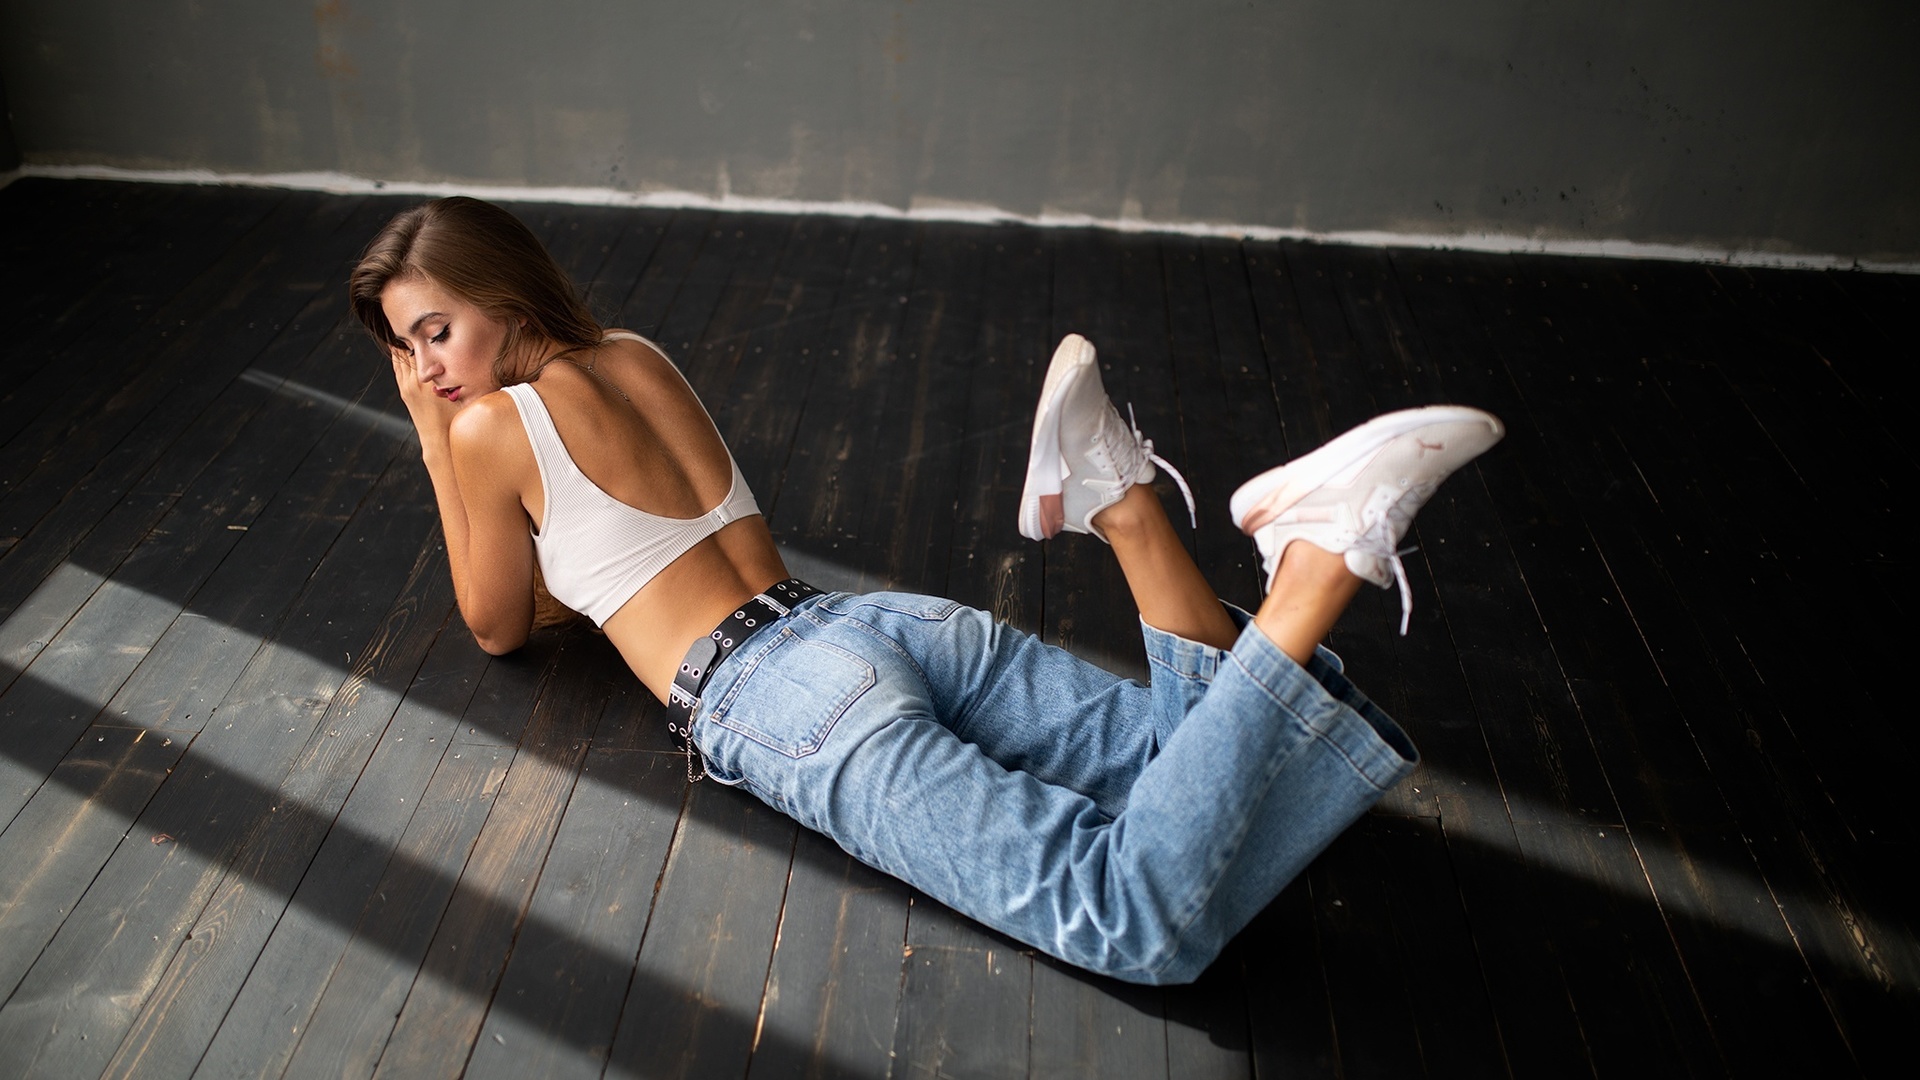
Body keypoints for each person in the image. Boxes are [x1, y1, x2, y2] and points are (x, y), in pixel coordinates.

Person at [349, 197, 1503, 985]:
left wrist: (434, 444)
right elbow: (593, 567)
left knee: (1130, 919)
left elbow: (498, 622)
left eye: (435, 334)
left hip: (781, 696)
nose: (430, 372)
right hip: (871, 621)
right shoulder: (637, 354)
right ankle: (1118, 496)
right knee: (1235, 764)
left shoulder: (489, 426)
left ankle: (1319, 564)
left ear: (502, 295)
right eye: (410, 356)